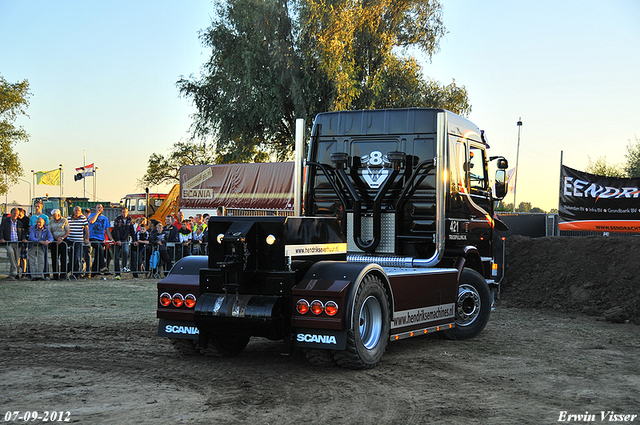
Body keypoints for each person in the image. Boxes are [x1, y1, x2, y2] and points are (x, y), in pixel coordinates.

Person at [0, 207, 27, 280]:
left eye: (17, 214)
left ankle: (12, 275)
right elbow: (1, 230)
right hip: (9, 242)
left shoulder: (19, 223)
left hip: (18, 243)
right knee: (10, 252)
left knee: (16, 258)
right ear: (11, 214)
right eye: (14, 213)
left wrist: (24, 238)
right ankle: (15, 270)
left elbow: (23, 232)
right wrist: (1, 238)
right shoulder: (5, 221)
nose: (15, 215)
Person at [88, 204, 113, 277]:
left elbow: (108, 230)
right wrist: (97, 214)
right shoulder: (91, 215)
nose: (100, 209)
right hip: (93, 237)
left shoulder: (105, 218)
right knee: (99, 248)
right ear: (95, 209)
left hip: (101, 238)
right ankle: (102, 266)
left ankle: (95, 272)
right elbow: (91, 221)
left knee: (103, 254)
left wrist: (111, 239)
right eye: (98, 207)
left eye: (101, 207)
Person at [112, 207, 135, 279]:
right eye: (123, 212)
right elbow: (116, 230)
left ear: (127, 212)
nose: (124, 213)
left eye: (125, 212)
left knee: (126, 251)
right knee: (116, 256)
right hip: (117, 240)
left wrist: (134, 240)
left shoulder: (129, 220)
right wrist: (117, 240)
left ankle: (124, 266)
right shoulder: (117, 219)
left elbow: (132, 231)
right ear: (121, 212)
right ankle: (117, 273)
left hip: (125, 239)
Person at [67, 206, 89, 279]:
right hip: (70, 240)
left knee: (77, 257)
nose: (77, 212)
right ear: (73, 211)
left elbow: (86, 228)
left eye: (78, 210)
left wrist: (86, 238)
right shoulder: (68, 218)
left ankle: (76, 273)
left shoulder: (83, 218)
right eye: (75, 210)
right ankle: (71, 272)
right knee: (71, 258)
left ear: (80, 211)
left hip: (78, 240)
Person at [48, 209, 70, 280]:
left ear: (59, 215)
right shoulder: (51, 221)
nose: (54, 217)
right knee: (54, 258)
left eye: (55, 216)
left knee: (63, 258)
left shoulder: (64, 220)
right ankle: (55, 275)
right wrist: (55, 238)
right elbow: (50, 231)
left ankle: (63, 275)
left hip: (63, 241)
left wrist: (62, 238)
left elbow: (67, 231)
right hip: (54, 241)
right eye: (53, 216)